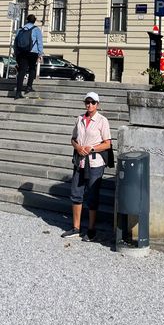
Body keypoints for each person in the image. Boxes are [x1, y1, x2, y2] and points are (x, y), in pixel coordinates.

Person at [61, 91, 112, 241]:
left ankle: (91, 229)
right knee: (76, 193)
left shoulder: (102, 121)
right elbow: (73, 138)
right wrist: (77, 147)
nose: (89, 105)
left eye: (92, 102)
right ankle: (76, 227)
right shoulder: (80, 119)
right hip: (80, 161)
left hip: (95, 162)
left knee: (92, 195)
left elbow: (108, 143)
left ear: (97, 104)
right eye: (87, 102)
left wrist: (92, 148)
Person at [14, 14, 43, 99]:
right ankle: (29, 86)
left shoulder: (20, 29)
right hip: (33, 52)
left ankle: (18, 92)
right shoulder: (36, 29)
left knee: (22, 71)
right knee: (32, 68)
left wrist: (16, 53)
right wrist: (40, 53)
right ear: (34, 21)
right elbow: (39, 42)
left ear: (27, 20)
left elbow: (15, 43)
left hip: (21, 52)